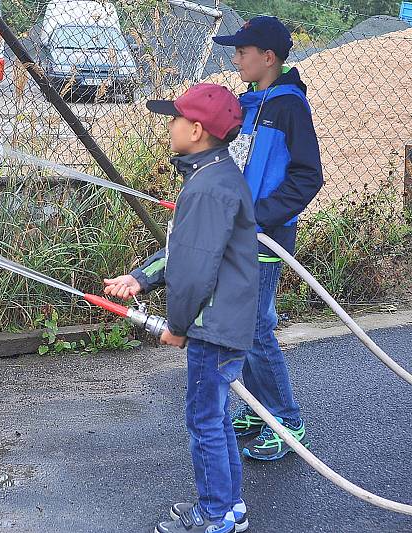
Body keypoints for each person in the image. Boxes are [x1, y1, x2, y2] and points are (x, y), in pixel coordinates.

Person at [104, 84, 258, 533]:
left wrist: (178, 325)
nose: (168, 125)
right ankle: (229, 507)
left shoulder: (206, 188)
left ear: (195, 129)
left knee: (203, 419)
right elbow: (190, 250)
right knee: (216, 416)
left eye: (173, 119)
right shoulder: (217, 175)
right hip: (226, 319)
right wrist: (142, 277)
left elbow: (193, 270)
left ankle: (213, 517)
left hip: (212, 325)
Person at [212, 16, 324, 461]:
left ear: (268, 57)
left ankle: (287, 420)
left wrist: (260, 218)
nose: (235, 58)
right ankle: (260, 411)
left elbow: (307, 176)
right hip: (237, 235)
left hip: (264, 240)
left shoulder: (289, 107)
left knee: (256, 328)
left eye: (242, 51)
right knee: (246, 327)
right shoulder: (250, 103)